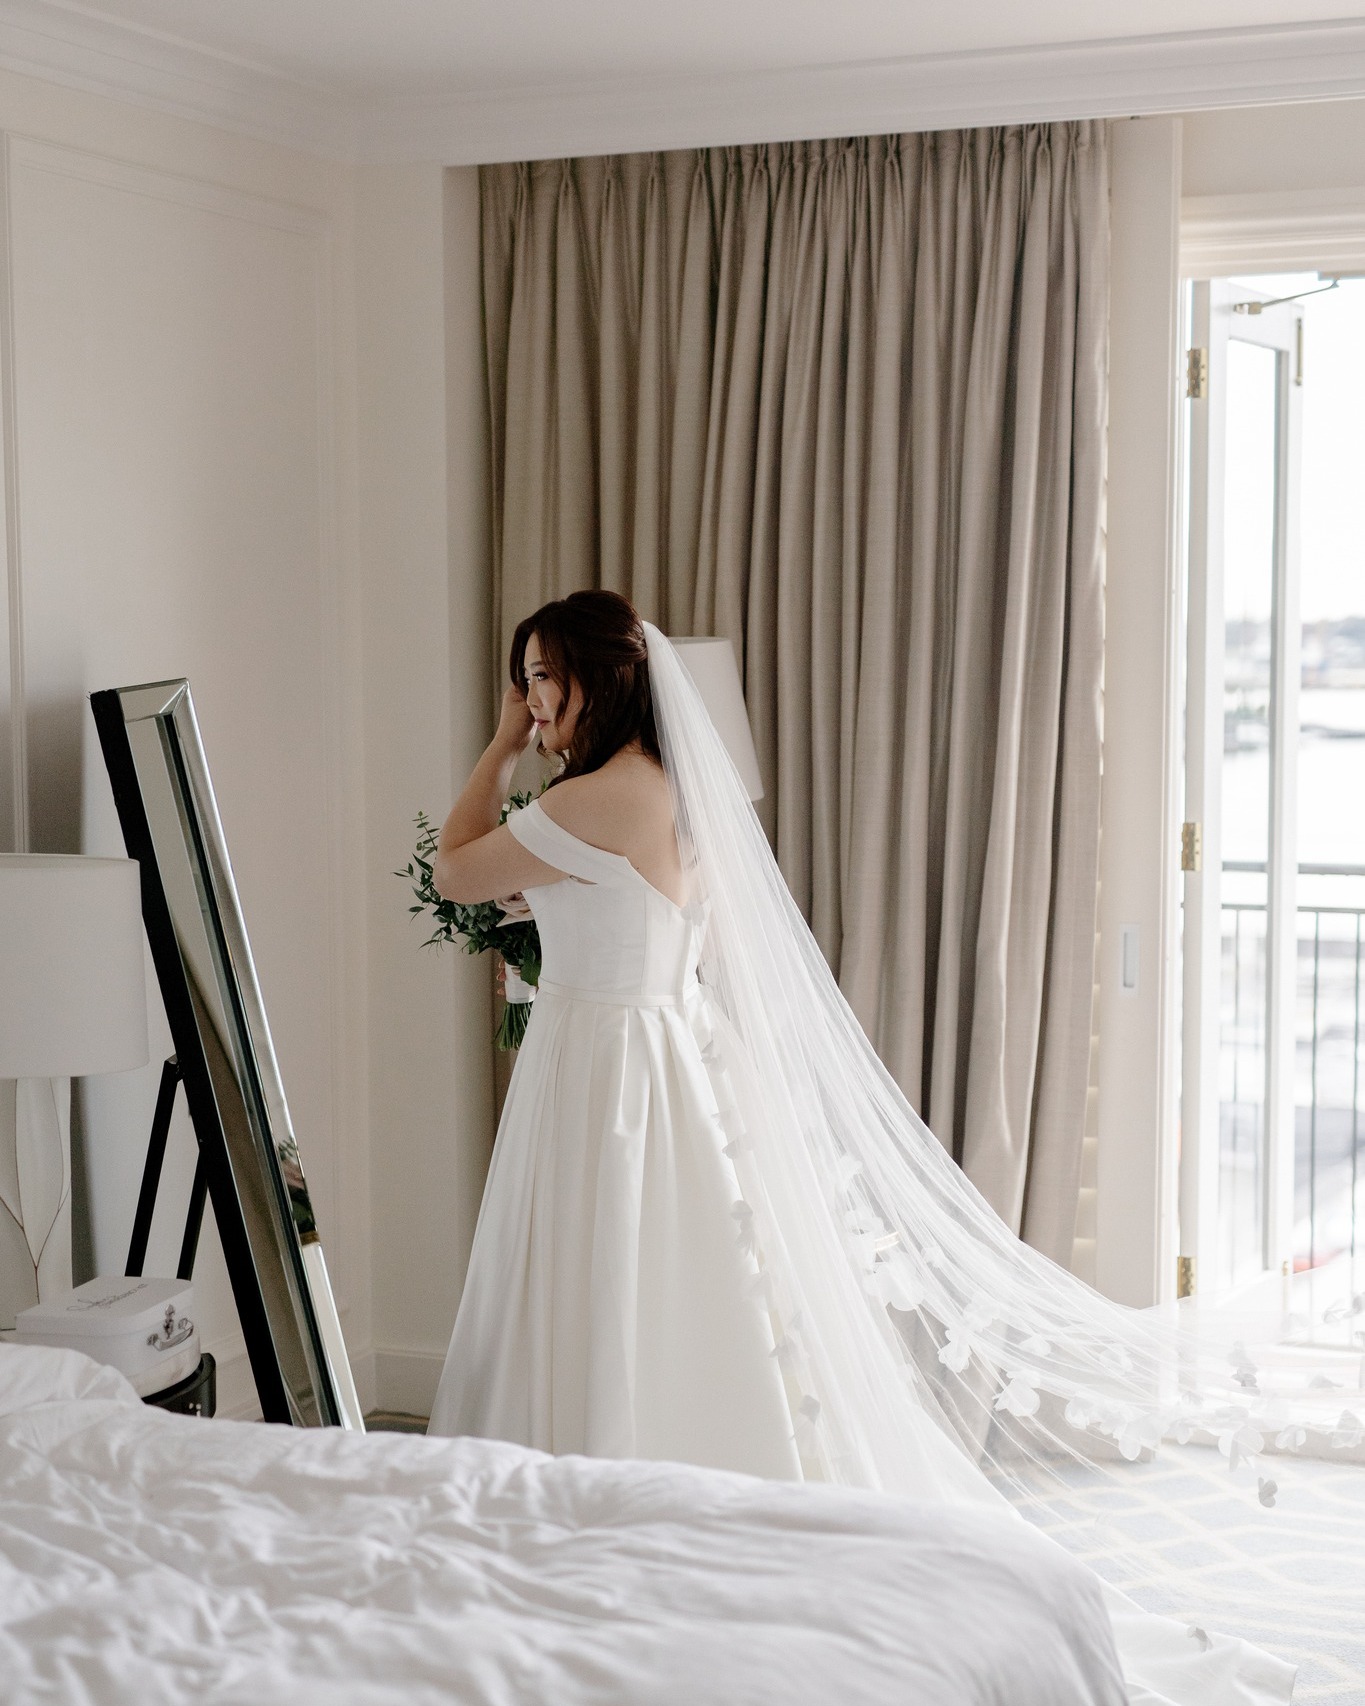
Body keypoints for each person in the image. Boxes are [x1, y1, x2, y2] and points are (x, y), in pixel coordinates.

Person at [428, 589, 1352, 1704]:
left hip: (599, 1073)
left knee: (588, 1276)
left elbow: (454, 864)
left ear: (597, 679)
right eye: (521, 681)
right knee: (657, 1285)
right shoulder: (671, 799)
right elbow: (651, 930)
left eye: (542, 677)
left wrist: (491, 748)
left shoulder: (590, 794)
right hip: (656, 1063)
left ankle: (579, 1514)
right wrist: (550, 937)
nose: (531, 701)